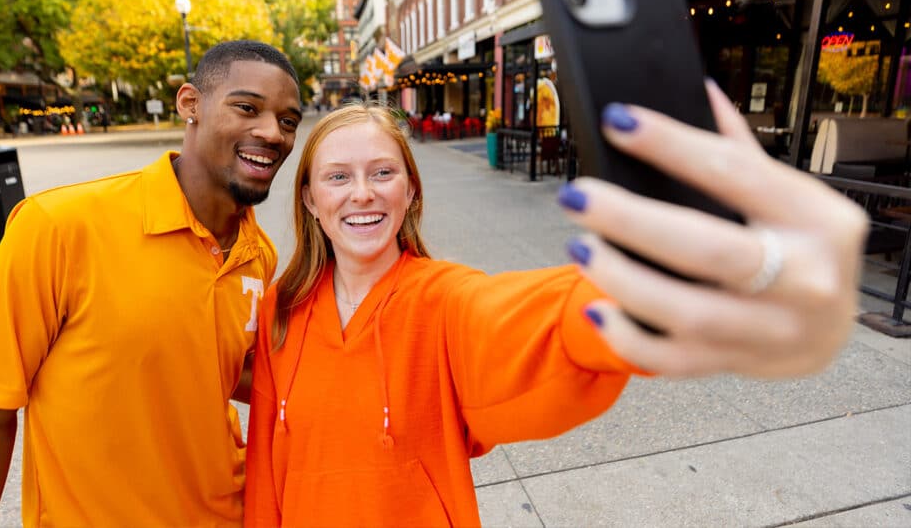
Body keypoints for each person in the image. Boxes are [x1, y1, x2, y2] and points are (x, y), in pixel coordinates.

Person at [244, 88, 868, 528]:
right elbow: (267, 477)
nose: (362, 193)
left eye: (383, 172)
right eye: (337, 177)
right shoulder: (279, 311)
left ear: (410, 193)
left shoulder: (443, 301)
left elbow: (532, 322)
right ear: (309, 199)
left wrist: (658, 287)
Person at [0, 40, 304, 527]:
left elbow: (232, 370)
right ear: (190, 104)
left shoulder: (257, 253)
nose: (272, 132)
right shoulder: (58, 226)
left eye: (288, 121)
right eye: (247, 107)